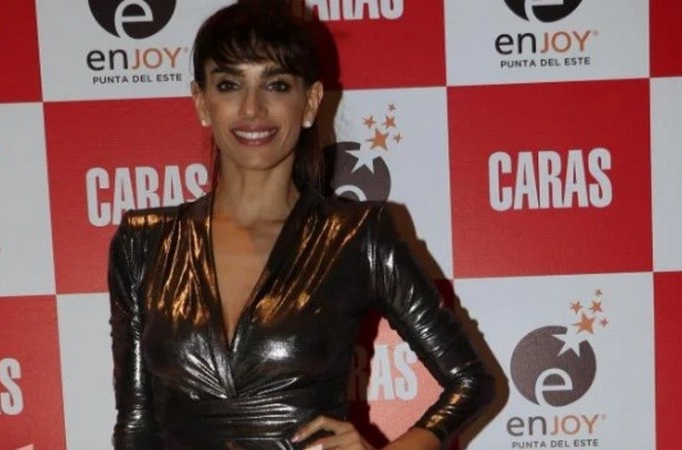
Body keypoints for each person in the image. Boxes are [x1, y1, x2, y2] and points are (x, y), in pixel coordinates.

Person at [108, 1, 494, 449]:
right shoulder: (144, 241)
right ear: (202, 101)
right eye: (230, 84)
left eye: (276, 85)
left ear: (309, 103)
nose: (252, 108)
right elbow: (135, 423)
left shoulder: (356, 237)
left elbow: (471, 382)